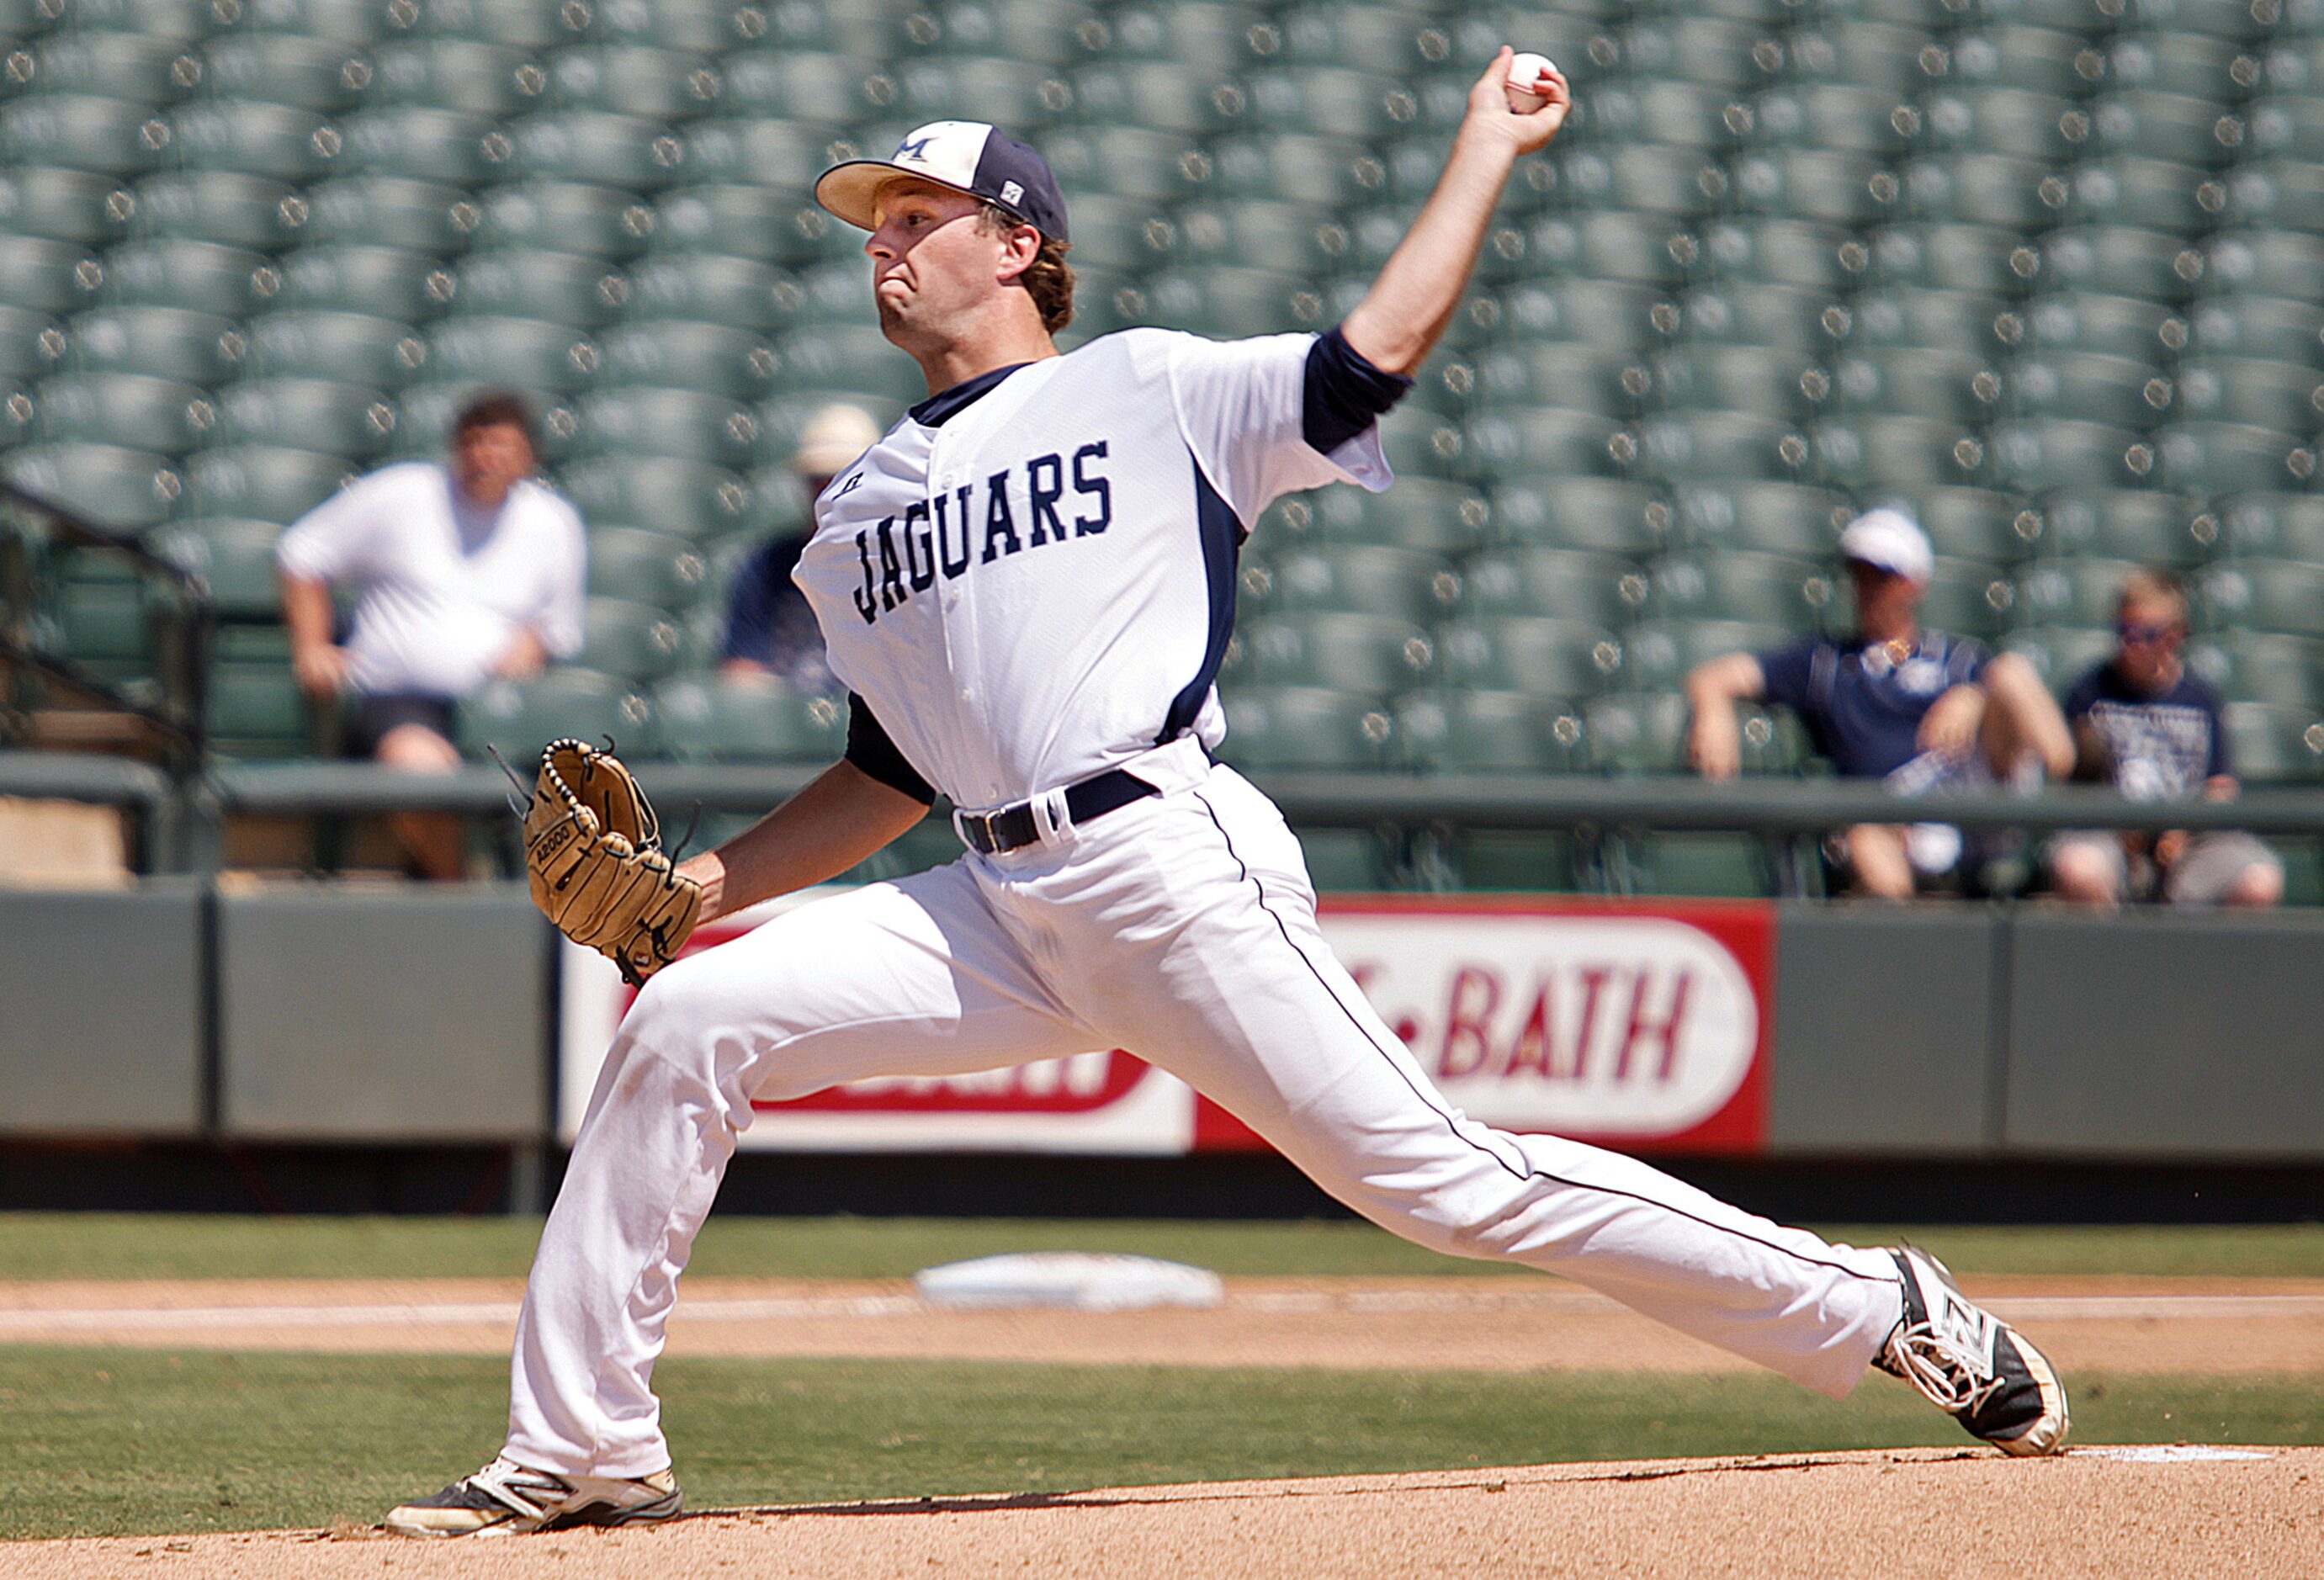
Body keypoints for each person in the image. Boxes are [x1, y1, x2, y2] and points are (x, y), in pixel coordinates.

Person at [386, 72, 2067, 1539]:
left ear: (1019, 242)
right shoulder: (859, 515)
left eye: (918, 213)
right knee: (690, 1017)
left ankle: (1878, 1307)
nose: (881, 243)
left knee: (1449, 1189)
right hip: (992, 905)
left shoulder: (1150, 391)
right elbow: (892, 776)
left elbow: (1369, 359)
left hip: (1165, 859)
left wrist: (1484, 145)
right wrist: (702, 881)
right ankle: (586, 1448)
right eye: (869, 224)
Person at [277, 390, 586, 881]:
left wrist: (532, 644)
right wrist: (313, 647)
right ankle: (463, 890)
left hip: (499, 705)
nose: (485, 457)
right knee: (419, 771)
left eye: (500, 445)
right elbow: (302, 553)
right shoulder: (401, 494)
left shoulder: (553, 522)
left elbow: (557, 626)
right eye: (475, 443)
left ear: (527, 456)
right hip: (399, 697)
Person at [1686, 509, 2074, 899]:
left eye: (1883, 576)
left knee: (2011, 672)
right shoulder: (1827, 662)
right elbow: (1715, 676)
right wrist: (1712, 709)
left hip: (1972, 810)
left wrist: (1976, 696)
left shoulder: (1959, 660)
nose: (1869, 588)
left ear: (1914, 584)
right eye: (1860, 575)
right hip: (1888, 823)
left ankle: (2064, 810)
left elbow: (2014, 717)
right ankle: (1916, 938)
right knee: (1865, 841)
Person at [2047, 569, 2283, 908]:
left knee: (2259, 881)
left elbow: (2220, 787)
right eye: (2123, 631)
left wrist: (2184, 831)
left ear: (2174, 637)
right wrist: (2121, 825)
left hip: (2189, 839)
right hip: (2110, 836)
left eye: (2144, 634)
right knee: (2078, 869)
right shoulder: (2089, 691)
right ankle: (2105, 959)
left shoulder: (2201, 698)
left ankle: (2211, 962)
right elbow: (2072, 784)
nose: (2130, 644)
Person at [719, 402, 883, 691]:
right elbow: (742, 670)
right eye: (821, 481)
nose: (829, 494)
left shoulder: (890, 569)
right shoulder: (768, 566)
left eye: (845, 481)